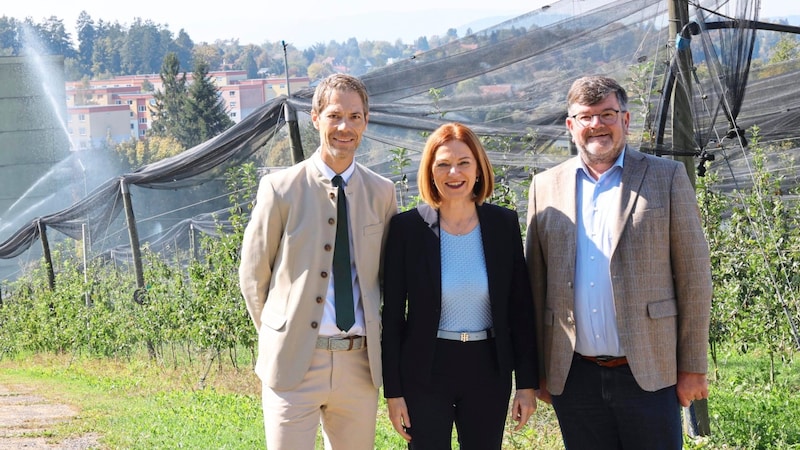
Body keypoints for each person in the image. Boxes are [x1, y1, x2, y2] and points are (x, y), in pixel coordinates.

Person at [524, 75, 713, 449]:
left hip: (649, 372)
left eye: (607, 114)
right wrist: (538, 372)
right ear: (571, 126)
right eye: (585, 116)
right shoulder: (544, 186)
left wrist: (693, 366)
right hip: (574, 376)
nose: (597, 124)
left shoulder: (666, 177)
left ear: (625, 120)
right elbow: (535, 284)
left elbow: (694, 276)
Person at [239, 73, 397, 450]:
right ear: (315, 118)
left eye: (355, 117)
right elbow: (253, 275)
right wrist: (281, 334)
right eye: (335, 115)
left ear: (366, 121)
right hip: (294, 364)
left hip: (359, 366)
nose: (345, 126)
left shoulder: (383, 193)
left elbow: (387, 279)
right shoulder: (281, 189)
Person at [381, 122, 539, 450]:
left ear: (479, 168)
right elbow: (393, 317)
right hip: (426, 369)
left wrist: (526, 384)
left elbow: (520, 311)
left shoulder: (502, 224)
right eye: (443, 164)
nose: (454, 172)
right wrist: (393, 392)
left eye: (464, 162)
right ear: (430, 171)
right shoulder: (407, 229)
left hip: (487, 368)